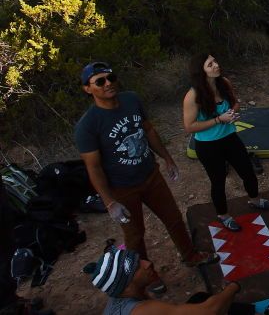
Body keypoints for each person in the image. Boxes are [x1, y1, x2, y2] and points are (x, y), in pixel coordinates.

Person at [74, 62, 219, 295]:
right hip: (122, 188)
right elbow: (94, 167)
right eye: (99, 81)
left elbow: (148, 130)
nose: (108, 84)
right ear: (87, 89)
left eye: (111, 78)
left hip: (150, 175)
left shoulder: (131, 99)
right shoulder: (88, 126)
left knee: (173, 218)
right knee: (134, 235)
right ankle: (144, 277)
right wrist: (110, 202)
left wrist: (167, 159)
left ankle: (190, 255)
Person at [182, 54, 269, 232]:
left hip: (230, 138)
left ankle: (255, 200)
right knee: (218, 181)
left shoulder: (223, 83)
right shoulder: (193, 96)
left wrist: (232, 113)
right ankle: (223, 216)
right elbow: (189, 126)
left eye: (215, 61)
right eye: (210, 64)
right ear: (201, 72)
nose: (216, 65)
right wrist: (219, 120)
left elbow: (235, 103)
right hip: (208, 145)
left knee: (247, 171)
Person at [83, 245, 269, 315]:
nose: (147, 263)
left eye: (141, 260)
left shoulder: (119, 298)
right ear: (126, 285)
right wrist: (232, 288)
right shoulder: (141, 311)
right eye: (138, 267)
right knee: (213, 306)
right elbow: (208, 312)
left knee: (201, 298)